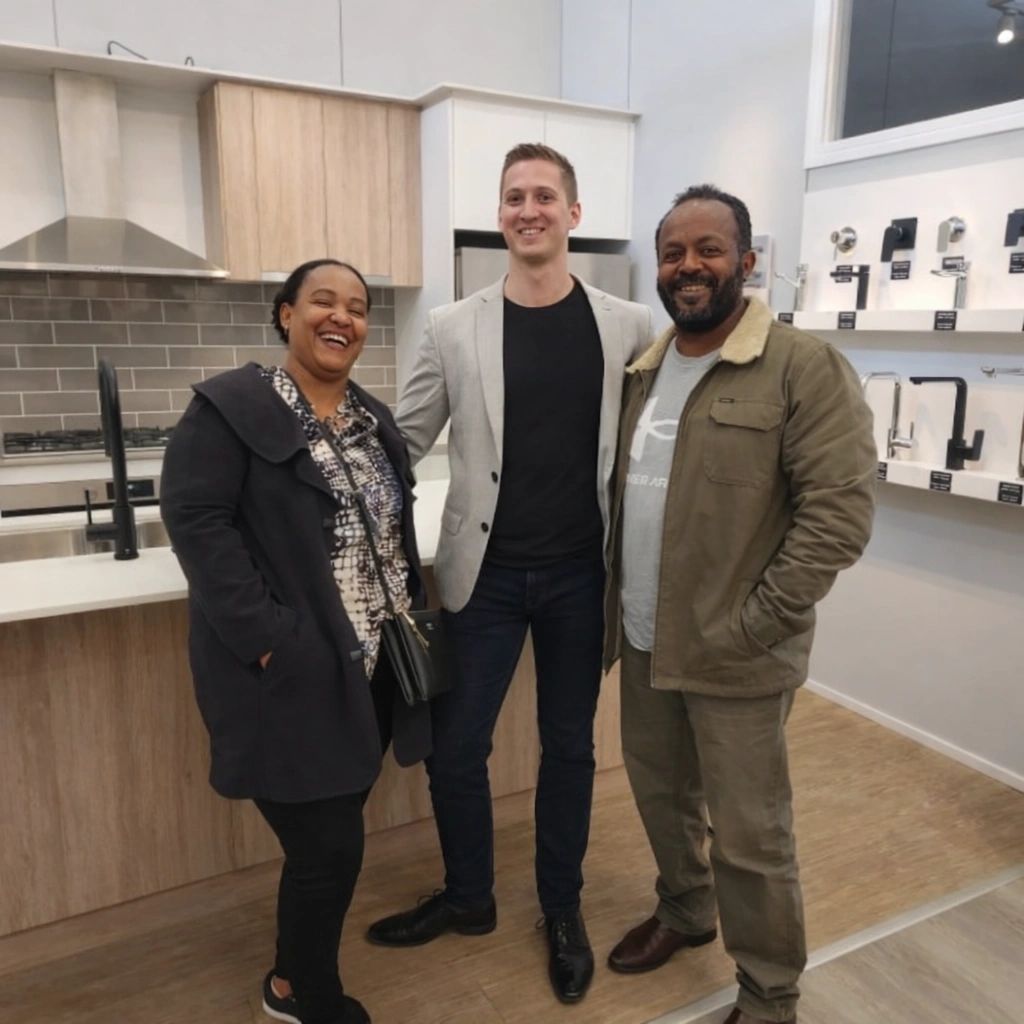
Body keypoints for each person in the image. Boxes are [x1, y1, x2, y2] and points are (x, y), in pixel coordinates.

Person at [365, 143, 652, 1004]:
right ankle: (468, 899)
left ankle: (560, 910)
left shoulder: (630, 326)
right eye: (513, 197)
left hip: (578, 576)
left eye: (543, 196)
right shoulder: (453, 326)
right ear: (502, 216)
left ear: (573, 212)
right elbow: (401, 444)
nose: (527, 209)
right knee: (457, 751)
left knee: (570, 751)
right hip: (480, 579)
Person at [603, 185, 875, 1024]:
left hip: (740, 652)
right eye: (675, 252)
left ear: (746, 262)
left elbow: (840, 514)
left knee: (753, 839)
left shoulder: (801, 365)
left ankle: (768, 995)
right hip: (647, 642)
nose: (690, 266)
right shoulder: (645, 370)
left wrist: (759, 623)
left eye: (709, 249)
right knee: (661, 796)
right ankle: (686, 910)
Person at [160, 259, 430, 1024]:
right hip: (290, 677)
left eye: (357, 306)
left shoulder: (373, 420)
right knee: (329, 850)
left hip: (370, 672)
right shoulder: (231, 408)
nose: (341, 316)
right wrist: (272, 640)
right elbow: (196, 522)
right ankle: (300, 993)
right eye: (322, 301)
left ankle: (288, 976)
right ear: (285, 314)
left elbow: (391, 534)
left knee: (330, 840)